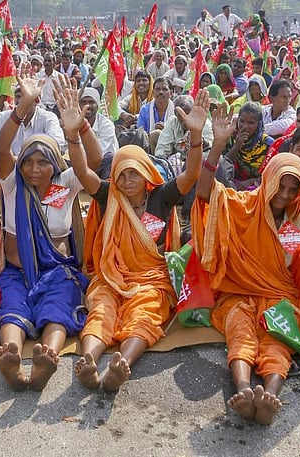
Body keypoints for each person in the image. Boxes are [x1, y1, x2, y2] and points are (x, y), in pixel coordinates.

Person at [191, 101, 300, 425]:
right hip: (239, 293)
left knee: (278, 340)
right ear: (269, 179)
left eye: (294, 188)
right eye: (281, 185)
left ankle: (271, 394)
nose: (285, 194)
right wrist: (218, 144)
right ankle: (245, 389)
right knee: (240, 332)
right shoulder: (244, 203)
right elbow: (205, 193)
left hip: (281, 296)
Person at [72, 88, 209, 392]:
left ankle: (121, 364)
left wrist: (196, 137)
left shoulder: (161, 196)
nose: (128, 180)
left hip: (151, 279)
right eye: (122, 174)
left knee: (145, 311)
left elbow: (191, 174)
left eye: (134, 174)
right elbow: (82, 172)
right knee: (102, 309)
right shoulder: (110, 196)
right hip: (112, 275)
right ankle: (90, 361)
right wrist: (73, 135)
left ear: (147, 174)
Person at [0, 77, 99, 391]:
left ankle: (47, 357)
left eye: (43, 163)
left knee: (59, 305)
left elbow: (94, 161)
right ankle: (10, 354)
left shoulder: (66, 183)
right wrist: (24, 105)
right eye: (28, 162)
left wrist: (78, 129)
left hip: (57, 272)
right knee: (12, 308)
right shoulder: (12, 186)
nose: (34, 170)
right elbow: (1, 147)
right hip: (17, 272)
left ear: (55, 164)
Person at [221, 102, 274, 190]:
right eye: (242, 121)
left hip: (257, 189)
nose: (245, 126)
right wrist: (236, 146)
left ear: (259, 124)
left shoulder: (268, 144)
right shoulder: (229, 137)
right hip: (230, 185)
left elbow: (272, 175)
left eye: (251, 123)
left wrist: (251, 181)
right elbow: (222, 167)